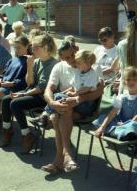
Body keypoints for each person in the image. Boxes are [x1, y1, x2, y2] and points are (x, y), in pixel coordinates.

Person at [42, 41, 104, 174]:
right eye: (65, 58)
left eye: (71, 56)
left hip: (86, 107)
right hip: (66, 104)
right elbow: (49, 89)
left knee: (57, 115)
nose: (70, 60)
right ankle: (65, 158)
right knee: (59, 113)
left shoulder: (92, 66)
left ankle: (60, 158)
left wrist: (76, 99)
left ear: (76, 49)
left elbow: (99, 92)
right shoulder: (59, 66)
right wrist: (52, 102)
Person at [1, 34, 58, 153]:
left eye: (37, 47)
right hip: (33, 92)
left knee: (15, 103)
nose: (33, 50)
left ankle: (27, 135)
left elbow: (41, 88)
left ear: (46, 48)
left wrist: (22, 95)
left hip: (43, 97)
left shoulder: (52, 64)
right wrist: (29, 67)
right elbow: (29, 82)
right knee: (6, 99)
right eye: (33, 47)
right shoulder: (37, 61)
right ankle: (7, 129)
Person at [32, 49, 99, 128]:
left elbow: (87, 88)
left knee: (59, 108)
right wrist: (64, 93)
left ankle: (45, 116)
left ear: (88, 64)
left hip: (86, 103)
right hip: (76, 100)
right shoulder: (79, 72)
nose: (76, 64)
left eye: (79, 63)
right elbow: (73, 87)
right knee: (57, 96)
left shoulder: (92, 74)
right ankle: (46, 116)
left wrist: (75, 94)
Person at [94, 66, 137, 141]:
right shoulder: (121, 97)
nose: (131, 82)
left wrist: (126, 124)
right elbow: (112, 113)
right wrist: (102, 127)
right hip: (122, 123)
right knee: (101, 119)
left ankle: (118, 132)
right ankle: (120, 132)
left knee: (133, 125)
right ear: (124, 81)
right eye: (128, 80)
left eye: (134, 80)